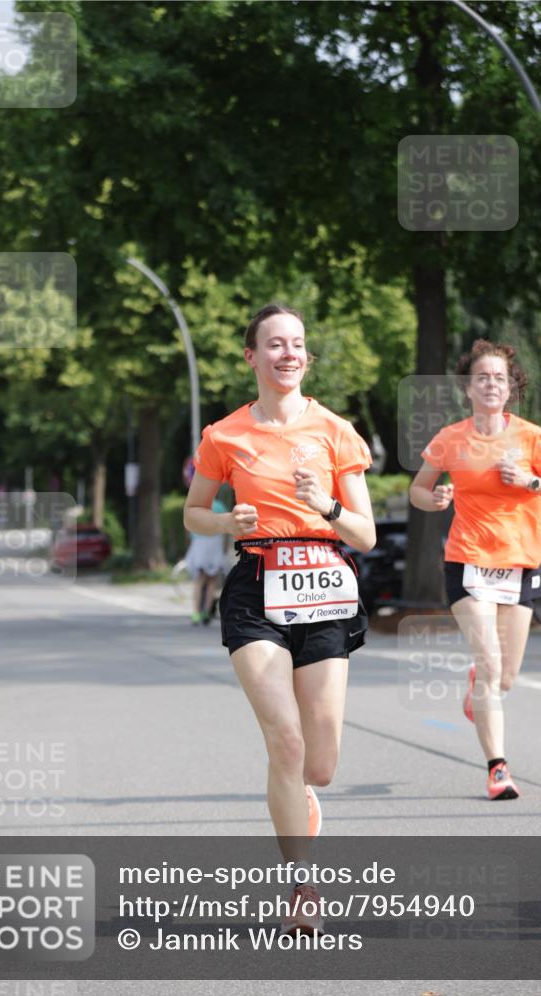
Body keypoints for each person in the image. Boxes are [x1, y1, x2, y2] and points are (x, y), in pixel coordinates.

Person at [184, 303, 375, 933]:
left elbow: (365, 534)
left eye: (297, 344)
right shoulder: (224, 435)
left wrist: (324, 503)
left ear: (306, 357)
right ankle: (302, 887)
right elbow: (193, 513)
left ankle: (303, 796)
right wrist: (225, 521)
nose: (287, 353)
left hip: (325, 588)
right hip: (255, 588)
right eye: (274, 344)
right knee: (285, 742)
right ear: (252, 357)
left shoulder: (336, 430)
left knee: (318, 763)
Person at [410, 339, 541, 801]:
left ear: (511, 386)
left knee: (505, 677)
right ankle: (498, 769)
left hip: (519, 562)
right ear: (469, 387)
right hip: (468, 560)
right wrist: (435, 498)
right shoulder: (451, 439)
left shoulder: (530, 436)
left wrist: (530, 481)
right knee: (490, 661)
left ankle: (480, 687)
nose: (492, 384)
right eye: (483, 377)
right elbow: (419, 489)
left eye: (500, 377)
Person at [185, 496, 229, 625]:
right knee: (212, 579)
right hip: (215, 542)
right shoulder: (220, 506)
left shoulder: (196, 504)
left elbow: (188, 526)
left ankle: (196, 612)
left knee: (199, 580)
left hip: (200, 543)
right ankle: (206, 611)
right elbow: (226, 528)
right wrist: (225, 547)